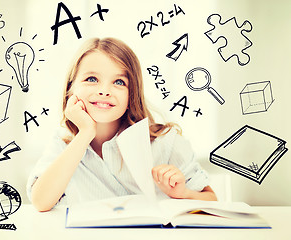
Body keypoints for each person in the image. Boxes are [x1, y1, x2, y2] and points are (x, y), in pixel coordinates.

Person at [27, 37, 217, 212]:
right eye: (91, 79)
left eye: (119, 82)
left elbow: (212, 201)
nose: (104, 90)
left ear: (131, 94)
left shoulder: (165, 142)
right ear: (71, 88)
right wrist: (85, 133)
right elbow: (40, 201)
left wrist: (183, 193)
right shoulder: (64, 142)